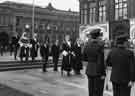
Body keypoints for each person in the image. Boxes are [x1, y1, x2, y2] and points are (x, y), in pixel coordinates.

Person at [83, 29, 106, 96]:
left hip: (89, 69)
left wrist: (91, 60)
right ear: (98, 36)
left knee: (91, 90)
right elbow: (100, 61)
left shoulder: (86, 45)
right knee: (98, 91)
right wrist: (103, 73)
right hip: (98, 71)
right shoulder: (100, 46)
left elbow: (84, 58)